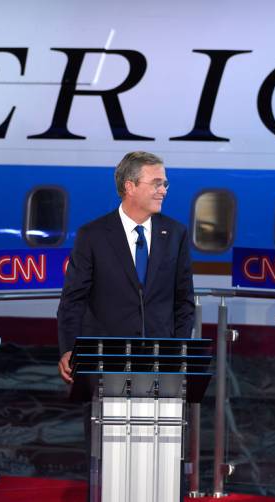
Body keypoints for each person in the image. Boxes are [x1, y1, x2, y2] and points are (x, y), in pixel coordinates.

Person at [57, 150, 195, 382]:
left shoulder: (175, 233)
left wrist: (177, 351)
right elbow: (73, 300)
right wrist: (69, 348)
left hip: (160, 361)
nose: (163, 191)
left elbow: (184, 300)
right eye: (156, 184)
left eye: (165, 184)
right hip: (102, 360)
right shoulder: (92, 235)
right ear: (130, 187)